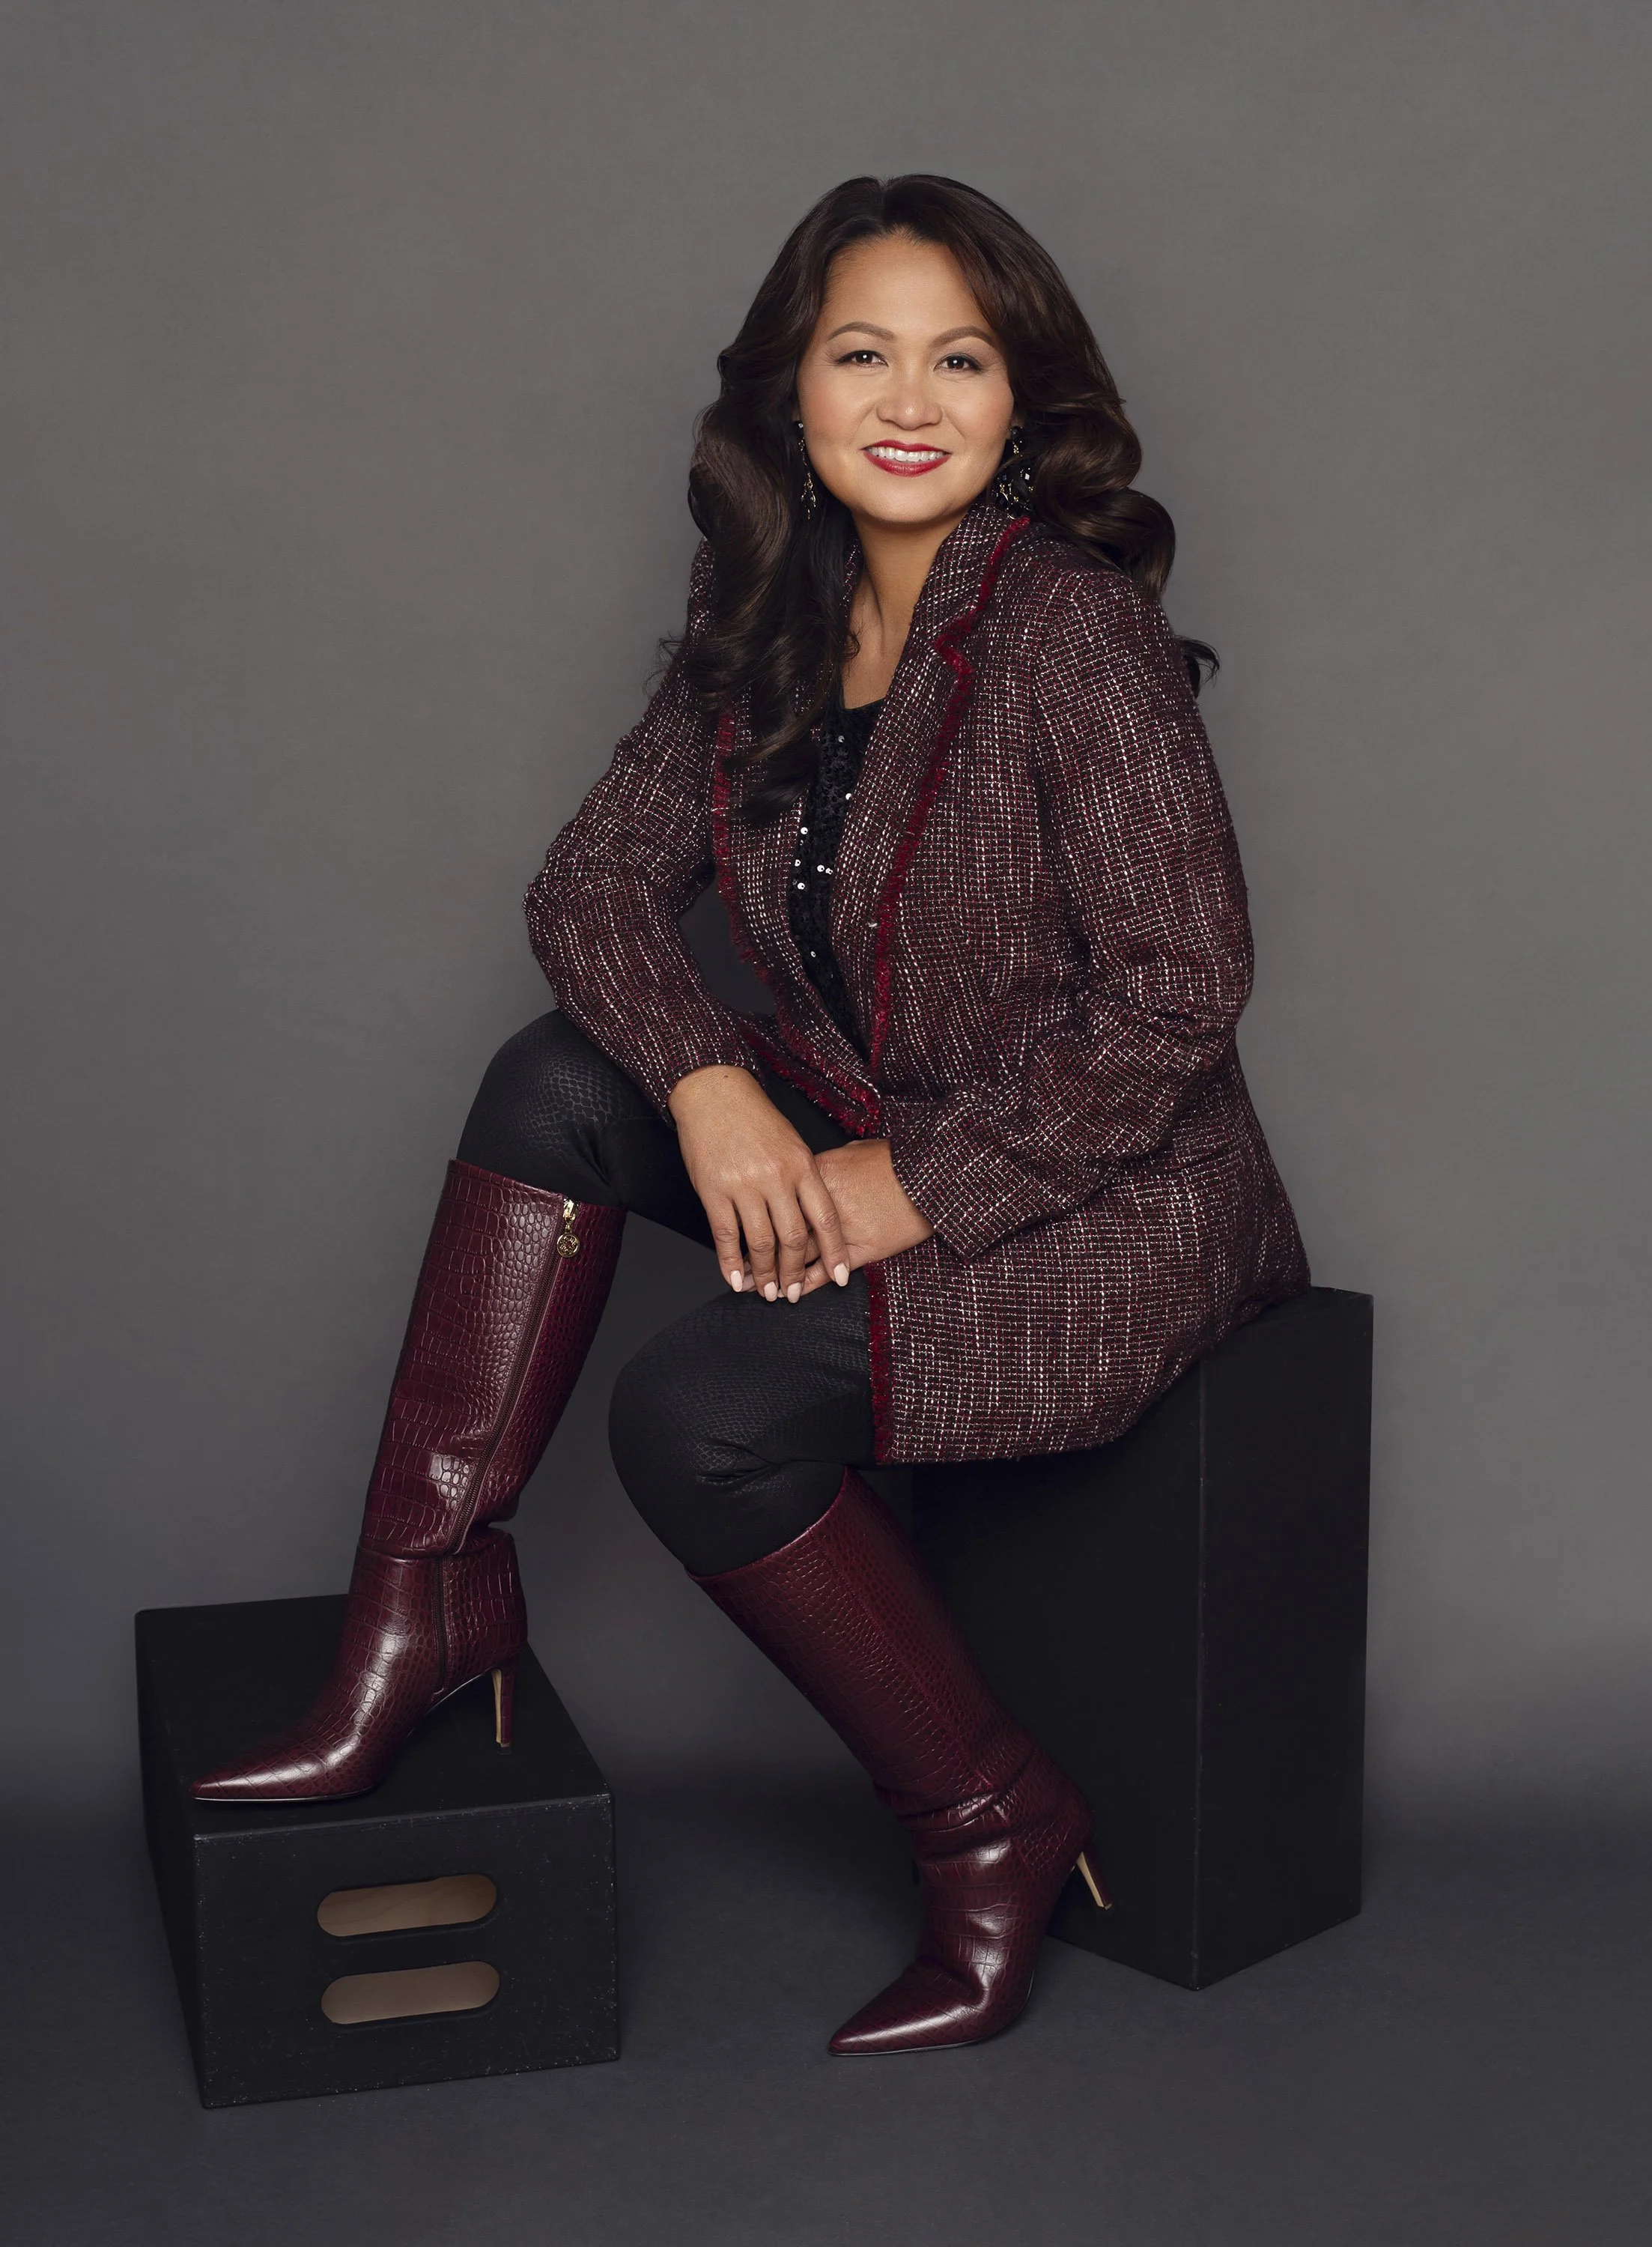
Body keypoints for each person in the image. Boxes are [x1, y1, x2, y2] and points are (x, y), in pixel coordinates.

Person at [192, 174, 1310, 2056]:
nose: (908, 397)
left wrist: (916, 1191)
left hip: (1114, 1199)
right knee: (558, 1078)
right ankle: (430, 1598)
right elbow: (586, 891)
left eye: (961, 360)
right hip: (871, 1116)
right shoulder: (769, 609)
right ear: (787, 393)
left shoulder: (1069, 634)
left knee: (699, 1413)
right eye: (861, 351)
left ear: (1022, 401)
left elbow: (1182, 996)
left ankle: (992, 1822)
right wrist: (713, 1089)